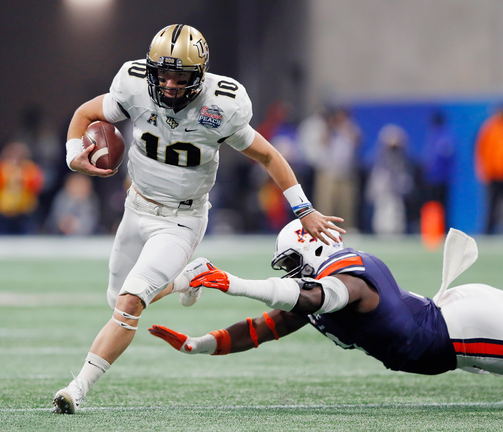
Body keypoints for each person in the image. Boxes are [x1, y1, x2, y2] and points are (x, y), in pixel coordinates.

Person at [53, 24, 345, 414]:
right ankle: (187, 278)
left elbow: (268, 156)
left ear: (201, 76)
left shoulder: (222, 105)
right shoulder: (135, 84)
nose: (170, 85)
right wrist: (75, 154)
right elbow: (84, 113)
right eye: (164, 74)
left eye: (181, 77)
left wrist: (303, 208)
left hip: (181, 220)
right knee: (116, 298)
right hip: (136, 206)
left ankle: (77, 388)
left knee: (128, 304)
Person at [150, 219, 503, 379]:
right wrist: (199, 345)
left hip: (461, 331)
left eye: (291, 263)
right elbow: (260, 329)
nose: (290, 273)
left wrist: (233, 282)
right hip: (455, 335)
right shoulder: (316, 292)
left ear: (314, 248)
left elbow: (315, 297)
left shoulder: (347, 275)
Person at [365, 124, 415, 235]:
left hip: (396, 193)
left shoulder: (402, 159)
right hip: (383, 192)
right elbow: (377, 178)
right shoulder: (380, 158)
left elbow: (405, 180)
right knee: (382, 218)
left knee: (397, 217)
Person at [0, 141, 45, 234]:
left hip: (25, 211)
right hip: (4, 211)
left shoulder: (30, 169)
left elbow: (37, 186)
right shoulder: (1, 168)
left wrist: (22, 180)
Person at [475, 104, 503, 235]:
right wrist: (484, 170)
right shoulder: (491, 127)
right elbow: (482, 150)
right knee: (492, 206)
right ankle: (488, 232)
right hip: (494, 174)